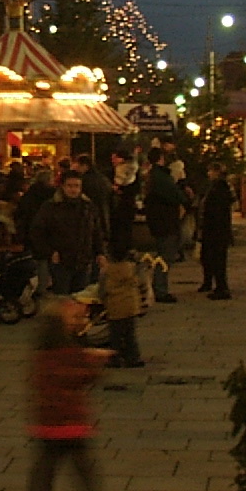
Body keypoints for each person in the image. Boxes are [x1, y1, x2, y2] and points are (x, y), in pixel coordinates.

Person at [23, 295, 115, 491]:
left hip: (47, 418)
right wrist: (95, 362)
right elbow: (79, 375)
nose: (78, 322)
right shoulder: (64, 349)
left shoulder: (44, 349)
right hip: (67, 418)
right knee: (82, 465)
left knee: (46, 467)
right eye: (73, 318)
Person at [29, 171, 106, 295]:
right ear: (63, 187)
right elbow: (37, 232)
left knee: (81, 297)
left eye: (77, 186)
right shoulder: (51, 207)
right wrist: (49, 252)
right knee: (62, 298)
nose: (73, 190)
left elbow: (96, 231)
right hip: (61, 261)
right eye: (70, 186)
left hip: (83, 260)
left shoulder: (88, 207)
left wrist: (100, 252)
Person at [142, 148, 184, 304]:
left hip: (158, 221)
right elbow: (175, 195)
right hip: (165, 221)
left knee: (163, 254)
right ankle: (160, 289)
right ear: (161, 158)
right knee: (165, 256)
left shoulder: (152, 175)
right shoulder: (161, 176)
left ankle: (159, 287)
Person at [98, 247, 146, 368]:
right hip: (131, 306)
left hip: (115, 307)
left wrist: (103, 300)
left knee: (115, 336)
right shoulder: (132, 269)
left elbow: (102, 291)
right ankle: (133, 358)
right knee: (130, 334)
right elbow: (142, 283)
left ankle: (115, 359)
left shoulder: (107, 271)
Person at [198, 162, 235, 300]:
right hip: (214, 229)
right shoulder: (215, 187)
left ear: (217, 172)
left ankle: (222, 288)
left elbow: (218, 210)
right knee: (209, 258)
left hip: (217, 230)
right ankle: (212, 284)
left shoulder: (220, 187)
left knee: (218, 260)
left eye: (211, 171)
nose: (208, 174)